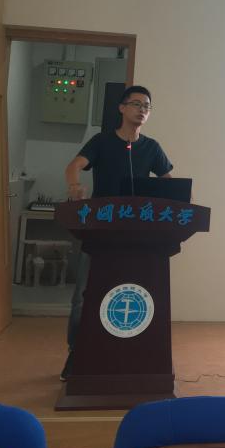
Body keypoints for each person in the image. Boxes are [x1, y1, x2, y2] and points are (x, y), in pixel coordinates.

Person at [60, 85, 173, 380]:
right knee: (84, 295)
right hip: (99, 230)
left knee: (135, 290)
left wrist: (177, 200)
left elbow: (169, 182)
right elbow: (74, 166)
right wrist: (74, 186)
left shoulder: (151, 148)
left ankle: (131, 352)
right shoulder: (102, 141)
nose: (142, 110)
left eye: (146, 106)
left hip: (137, 233)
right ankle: (76, 353)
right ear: (122, 108)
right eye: (136, 104)